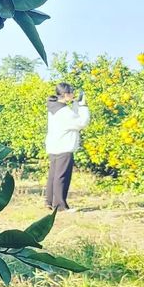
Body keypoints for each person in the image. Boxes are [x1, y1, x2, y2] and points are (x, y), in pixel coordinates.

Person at [45, 82, 90, 212]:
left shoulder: (55, 107)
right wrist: (83, 105)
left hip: (55, 145)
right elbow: (81, 122)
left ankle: (49, 201)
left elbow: (73, 118)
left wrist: (75, 104)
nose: (73, 95)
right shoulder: (64, 111)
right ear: (65, 94)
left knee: (54, 175)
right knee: (62, 176)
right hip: (64, 146)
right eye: (71, 93)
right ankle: (60, 206)